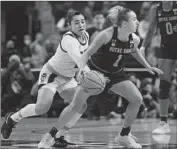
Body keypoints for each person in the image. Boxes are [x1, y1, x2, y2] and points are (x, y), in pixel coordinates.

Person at [40, 7, 163, 148]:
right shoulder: (106, 35)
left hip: (116, 75)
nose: (137, 22)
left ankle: (124, 135)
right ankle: (49, 136)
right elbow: (86, 54)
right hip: (95, 73)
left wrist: (148, 66)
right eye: (134, 19)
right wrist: (82, 71)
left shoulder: (134, 38)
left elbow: (134, 51)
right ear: (123, 23)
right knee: (76, 105)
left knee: (137, 99)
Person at [1, 10, 92, 148]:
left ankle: (59, 136)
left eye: (83, 21)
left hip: (67, 77)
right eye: (76, 22)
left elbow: (84, 58)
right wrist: (90, 74)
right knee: (42, 108)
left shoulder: (86, 35)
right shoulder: (69, 40)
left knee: (81, 104)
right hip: (52, 74)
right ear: (69, 25)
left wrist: (81, 72)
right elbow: (79, 60)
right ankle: (12, 118)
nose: (81, 24)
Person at [140, 1, 177, 134]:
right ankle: (163, 123)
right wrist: (143, 47)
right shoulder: (155, 8)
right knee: (164, 85)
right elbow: (151, 29)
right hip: (166, 48)